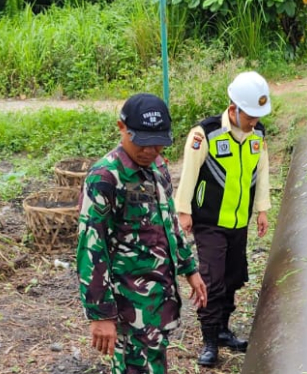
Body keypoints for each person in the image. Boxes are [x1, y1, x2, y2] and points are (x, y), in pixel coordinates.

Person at [77, 93, 207, 374]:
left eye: (157, 143)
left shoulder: (158, 167)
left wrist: (190, 269)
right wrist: (100, 314)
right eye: (142, 142)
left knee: (155, 364)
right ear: (121, 128)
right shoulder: (105, 178)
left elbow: (169, 222)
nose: (150, 150)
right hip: (129, 306)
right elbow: (91, 248)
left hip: (159, 299)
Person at [174, 71, 272, 367]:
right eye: (250, 116)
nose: (253, 121)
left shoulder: (257, 135)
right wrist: (184, 210)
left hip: (239, 221)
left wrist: (262, 209)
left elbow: (262, 171)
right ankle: (209, 340)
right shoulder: (205, 134)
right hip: (210, 222)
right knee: (212, 280)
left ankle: (223, 329)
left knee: (232, 277)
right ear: (233, 109)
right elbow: (189, 173)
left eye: (258, 116)